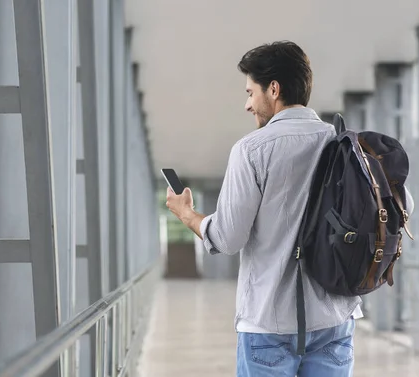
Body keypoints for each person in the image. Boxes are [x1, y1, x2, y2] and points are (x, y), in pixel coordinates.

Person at [165, 41, 406, 377]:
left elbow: (228, 238)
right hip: (335, 318)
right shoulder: (346, 145)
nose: (247, 104)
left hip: (268, 324)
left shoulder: (252, 150)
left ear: (273, 90)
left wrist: (186, 213)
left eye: (251, 92)